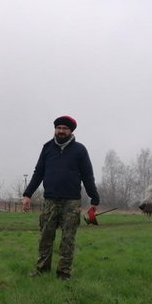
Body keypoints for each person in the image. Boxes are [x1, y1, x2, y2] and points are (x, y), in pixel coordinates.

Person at [22, 115, 100, 281]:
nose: (61, 131)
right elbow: (38, 173)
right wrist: (27, 194)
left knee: (68, 239)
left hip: (71, 202)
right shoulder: (47, 148)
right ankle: (42, 270)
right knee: (45, 237)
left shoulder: (80, 150)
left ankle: (63, 274)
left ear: (70, 131)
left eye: (65, 128)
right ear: (55, 129)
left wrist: (94, 199)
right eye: (58, 128)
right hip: (50, 201)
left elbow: (88, 175)